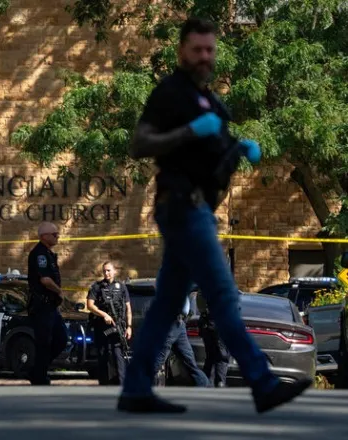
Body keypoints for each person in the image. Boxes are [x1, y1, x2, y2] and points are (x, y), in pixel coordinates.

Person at [116, 17, 312, 414]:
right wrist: (190, 131)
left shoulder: (213, 103)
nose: (204, 56)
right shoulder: (171, 93)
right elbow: (140, 144)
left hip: (200, 208)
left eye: (210, 50)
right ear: (181, 52)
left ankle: (135, 388)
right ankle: (262, 382)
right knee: (222, 295)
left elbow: (216, 160)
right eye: (197, 49)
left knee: (168, 304)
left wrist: (239, 149)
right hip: (181, 206)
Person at [26, 222, 68, 386]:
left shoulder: (49, 254)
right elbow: (45, 280)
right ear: (44, 236)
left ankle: (37, 370)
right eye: (54, 234)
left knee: (61, 339)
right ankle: (39, 376)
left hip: (51, 306)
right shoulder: (39, 254)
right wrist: (59, 291)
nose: (57, 237)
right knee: (44, 342)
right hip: (42, 306)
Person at [86, 261, 132, 385]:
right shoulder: (97, 287)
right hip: (101, 327)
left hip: (118, 326)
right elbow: (89, 305)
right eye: (104, 271)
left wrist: (129, 327)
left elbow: (128, 308)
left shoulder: (121, 287)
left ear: (114, 271)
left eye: (109, 270)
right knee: (103, 354)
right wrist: (104, 315)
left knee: (118, 355)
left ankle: (122, 384)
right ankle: (104, 384)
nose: (106, 273)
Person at [153, 295, 209, 387]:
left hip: (177, 323)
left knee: (188, 361)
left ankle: (206, 387)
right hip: (175, 322)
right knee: (161, 356)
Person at [197, 289, 229, 387]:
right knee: (221, 357)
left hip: (207, 324)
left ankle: (207, 385)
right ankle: (220, 385)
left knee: (210, 358)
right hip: (217, 324)